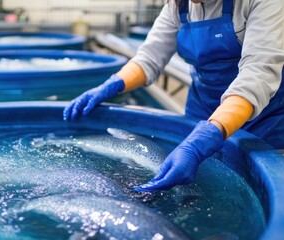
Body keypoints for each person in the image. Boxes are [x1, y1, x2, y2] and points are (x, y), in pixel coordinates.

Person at [63, 0, 284, 192]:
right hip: (201, 113)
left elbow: (258, 74)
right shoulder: (178, 5)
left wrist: (204, 139)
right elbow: (149, 58)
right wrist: (112, 85)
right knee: (199, 188)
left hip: (262, 122)